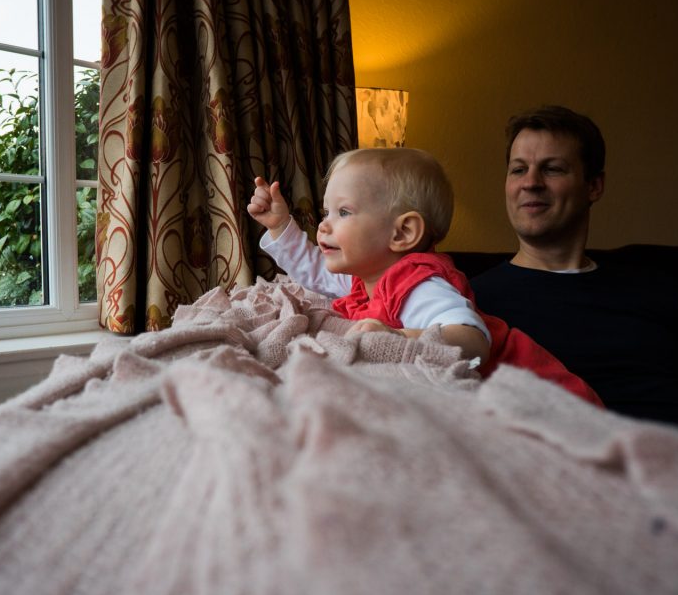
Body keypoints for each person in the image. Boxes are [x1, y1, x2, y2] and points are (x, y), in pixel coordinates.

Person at [470, 104, 678, 448]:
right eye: (518, 170)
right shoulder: (472, 306)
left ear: (594, 186)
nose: (531, 183)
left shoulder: (658, 290)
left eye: (553, 169)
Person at [247, 147, 602, 406]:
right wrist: (280, 225)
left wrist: (399, 335)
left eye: (344, 211)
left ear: (402, 233)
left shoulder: (420, 284)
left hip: (544, 397)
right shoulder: (366, 278)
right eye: (327, 211)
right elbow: (313, 272)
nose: (324, 224)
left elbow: (473, 340)